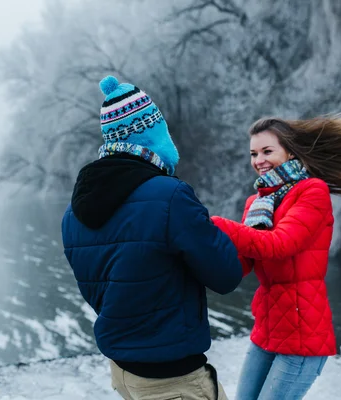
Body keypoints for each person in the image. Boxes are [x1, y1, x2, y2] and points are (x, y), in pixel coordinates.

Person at [61, 75, 242, 400]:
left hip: (124, 373)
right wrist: (213, 229)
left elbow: (105, 289)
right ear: (152, 133)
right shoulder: (170, 197)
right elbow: (227, 274)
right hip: (174, 381)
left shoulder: (73, 214)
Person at [210, 116, 341, 400]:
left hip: (302, 336)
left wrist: (220, 224)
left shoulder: (312, 192)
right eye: (254, 154)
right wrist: (199, 249)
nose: (259, 160)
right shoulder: (257, 203)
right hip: (267, 330)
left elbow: (280, 245)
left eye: (267, 151)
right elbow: (244, 262)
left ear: (290, 152)